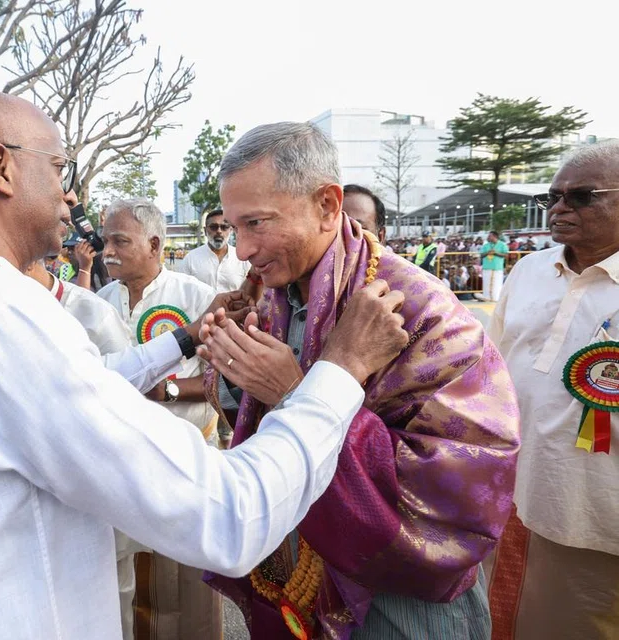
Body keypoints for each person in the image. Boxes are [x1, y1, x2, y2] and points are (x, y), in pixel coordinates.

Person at [0, 89, 409, 639]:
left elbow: (86, 385)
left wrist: (184, 341)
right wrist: (337, 371)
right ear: (2, 166)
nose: (69, 193)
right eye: (58, 167)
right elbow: (228, 516)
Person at [199, 121, 519, 639]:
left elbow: (460, 486)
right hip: (303, 573)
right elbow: (247, 420)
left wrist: (294, 392)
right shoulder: (273, 296)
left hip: (400, 602)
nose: (240, 250)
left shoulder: (418, 309)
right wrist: (231, 366)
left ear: (328, 205)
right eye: (233, 228)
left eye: (256, 224)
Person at [487, 142, 619, 639]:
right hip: (506, 492)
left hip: (592, 509)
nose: (560, 208)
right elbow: (488, 371)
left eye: (582, 196)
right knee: (499, 618)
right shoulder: (528, 271)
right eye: (553, 196)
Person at [98, 198, 223, 640]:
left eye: (119, 241)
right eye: (105, 240)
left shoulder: (195, 297)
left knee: (188, 586)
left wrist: (165, 391)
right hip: (124, 468)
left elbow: (224, 375)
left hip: (186, 462)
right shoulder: (100, 302)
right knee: (129, 584)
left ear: (153, 244)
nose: (106, 250)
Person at [175, 208, 252, 291]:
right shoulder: (190, 259)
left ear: (231, 230)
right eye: (213, 227)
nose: (219, 231)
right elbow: (181, 291)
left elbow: (250, 290)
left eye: (224, 227)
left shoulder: (242, 259)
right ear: (205, 231)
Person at [477, 230, 509, 301]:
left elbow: (506, 255)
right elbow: (481, 255)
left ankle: (496, 298)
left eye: (490, 236)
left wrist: (496, 253)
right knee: (486, 284)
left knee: (497, 284)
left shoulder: (502, 245)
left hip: (497, 268)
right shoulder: (486, 245)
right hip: (487, 267)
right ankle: (486, 297)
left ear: (495, 237)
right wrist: (487, 252)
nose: (488, 237)